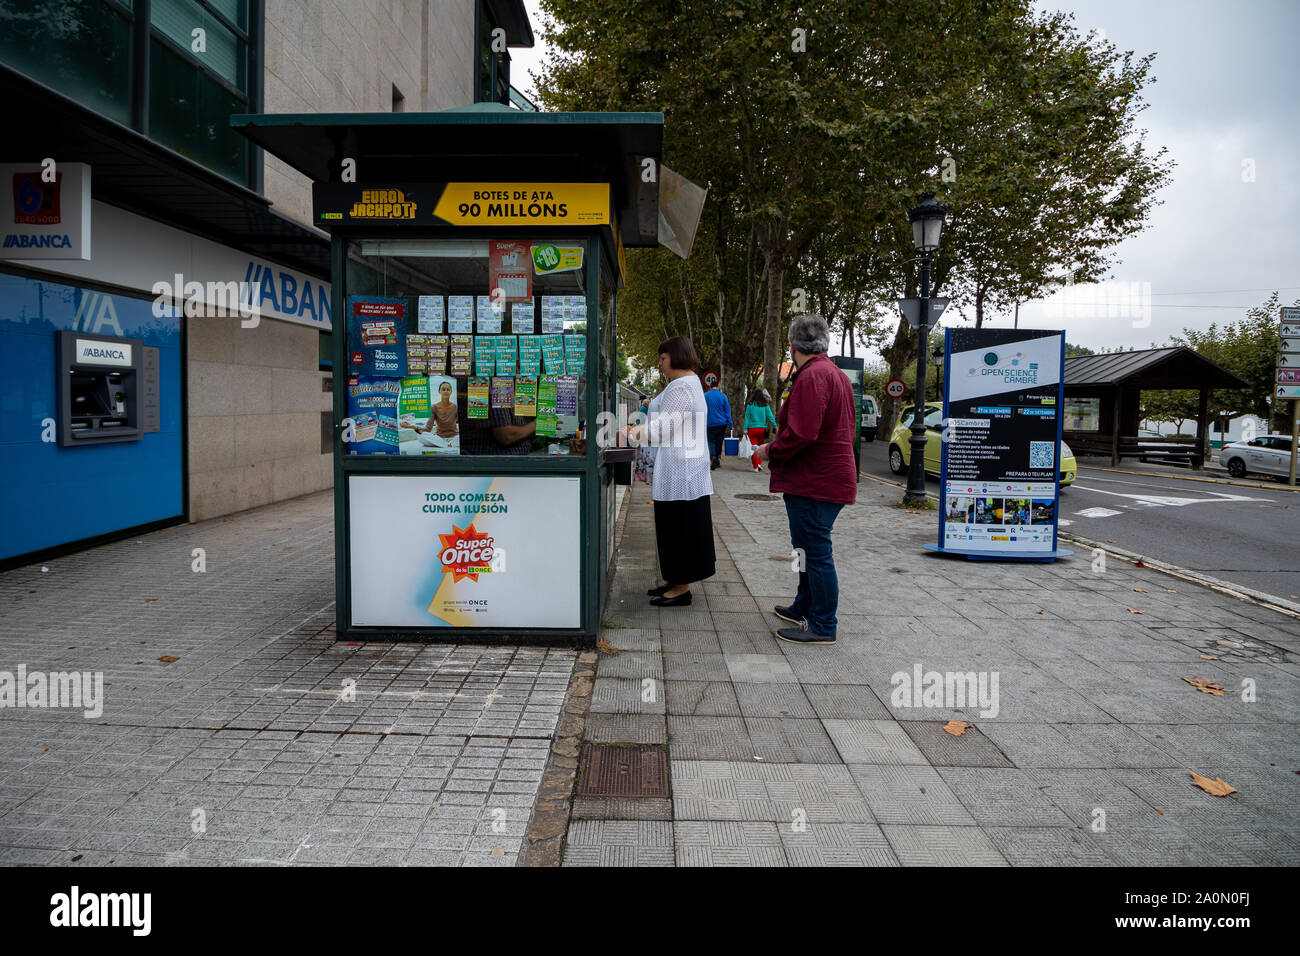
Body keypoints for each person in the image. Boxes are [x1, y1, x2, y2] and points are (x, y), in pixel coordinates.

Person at [754, 314, 856, 645]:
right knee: (805, 548)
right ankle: (804, 605)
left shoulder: (812, 377)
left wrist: (770, 450)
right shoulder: (835, 374)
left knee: (815, 549)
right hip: (827, 476)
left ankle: (824, 623)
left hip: (816, 479)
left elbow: (803, 433)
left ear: (792, 346)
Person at [626, 336, 715, 606]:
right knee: (673, 527)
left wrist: (634, 433)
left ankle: (681, 588)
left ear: (675, 357)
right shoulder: (686, 384)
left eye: (663, 358)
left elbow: (663, 429)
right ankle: (675, 579)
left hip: (681, 473)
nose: (660, 364)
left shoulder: (681, 388)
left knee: (679, 528)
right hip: (681, 469)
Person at [743, 389, 777, 472]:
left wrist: (745, 428)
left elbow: (747, 417)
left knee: (753, 447)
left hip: (752, 429)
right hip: (762, 429)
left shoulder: (750, 405)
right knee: (760, 447)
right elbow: (770, 417)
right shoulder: (765, 405)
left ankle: (755, 466)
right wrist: (775, 426)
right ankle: (758, 464)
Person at [703, 377, 732, 470]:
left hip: (709, 423)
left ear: (710, 387)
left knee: (711, 441)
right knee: (719, 442)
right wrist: (731, 424)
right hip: (721, 424)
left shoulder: (705, 396)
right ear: (717, 387)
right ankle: (718, 459)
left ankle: (712, 458)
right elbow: (727, 411)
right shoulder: (723, 396)